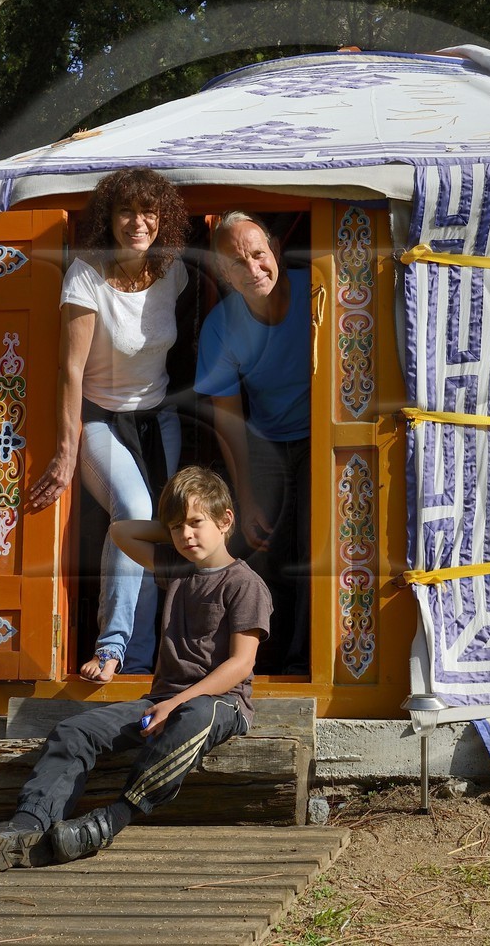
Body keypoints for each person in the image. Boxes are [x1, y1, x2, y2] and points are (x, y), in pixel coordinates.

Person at [0, 467, 271, 872]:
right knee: (75, 730)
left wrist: (176, 704)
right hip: (162, 702)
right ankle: (26, 827)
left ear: (226, 521)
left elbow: (241, 663)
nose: (186, 535)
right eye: (175, 528)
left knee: (195, 714)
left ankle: (110, 820)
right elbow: (122, 532)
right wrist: (173, 523)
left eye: (196, 523)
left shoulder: (246, 584)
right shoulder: (178, 569)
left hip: (219, 706)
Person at [28, 168, 189, 682]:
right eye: (126, 211)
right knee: (135, 511)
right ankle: (113, 646)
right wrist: (67, 449)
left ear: (162, 218)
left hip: (158, 416)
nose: (138, 222)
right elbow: (69, 370)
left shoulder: (174, 271)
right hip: (101, 416)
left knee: (162, 529)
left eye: (148, 211)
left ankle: (141, 661)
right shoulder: (86, 275)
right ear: (108, 218)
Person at [195, 212, 311, 674]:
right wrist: (243, 493)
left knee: (316, 543)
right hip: (266, 442)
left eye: (259, 254)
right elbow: (228, 418)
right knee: (262, 545)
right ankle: (260, 662)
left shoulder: (321, 294)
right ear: (224, 273)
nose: (253, 269)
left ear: (275, 251)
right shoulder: (220, 328)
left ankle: (307, 659)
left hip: (326, 434)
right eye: (237, 263)